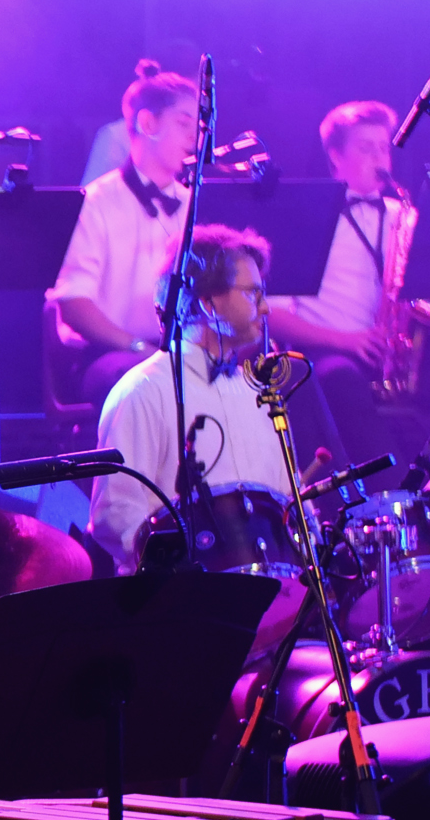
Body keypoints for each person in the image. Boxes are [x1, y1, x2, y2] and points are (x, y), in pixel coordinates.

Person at [267, 101, 430, 487]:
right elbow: (273, 315)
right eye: (366, 148)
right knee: (341, 381)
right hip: (328, 349)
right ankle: (394, 501)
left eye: (384, 147)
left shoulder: (405, 216)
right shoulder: (305, 219)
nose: (380, 158)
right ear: (335, 157)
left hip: (392, 353)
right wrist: (346, 340)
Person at [88, 225, 289, 571]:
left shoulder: (257, 393)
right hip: (176, 608)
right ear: (209, 303)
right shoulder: (143, 392)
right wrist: (178, 566)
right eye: (253, 293)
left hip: (269, 599)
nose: (266, 308)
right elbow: (114, 515)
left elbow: (284, 501)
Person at [48, 60, 201, 405]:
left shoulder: (194, 204)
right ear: (147, 123)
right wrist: (140, 348)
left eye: (198, 126)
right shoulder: (95, 202)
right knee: (142, 384)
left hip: (175, 353)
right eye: (183, 124)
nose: (195, 138)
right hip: (107, 353)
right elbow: (73, 304)